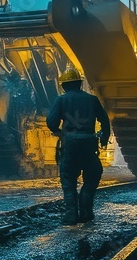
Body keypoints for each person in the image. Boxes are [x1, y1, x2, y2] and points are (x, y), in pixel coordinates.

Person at [46, 68, 111, 225]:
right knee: (93, 175)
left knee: (68, 179)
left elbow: (51, 121)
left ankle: (71, 215)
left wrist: (59, 132)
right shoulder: (92, 100)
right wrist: (103, 138)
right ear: (80, 84)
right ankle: (86, 212)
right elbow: (105, 121)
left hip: (69, 144)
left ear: (64, 86)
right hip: (88, 143)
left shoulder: (61, 100)